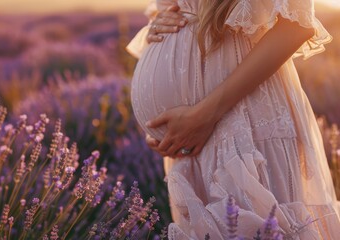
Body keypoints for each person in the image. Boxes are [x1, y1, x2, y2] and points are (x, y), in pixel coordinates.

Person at [127, 0, 340, 239]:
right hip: (190, 142)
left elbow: (296, 25)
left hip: (244, 121)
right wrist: (157, 24)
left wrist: (205, 114)